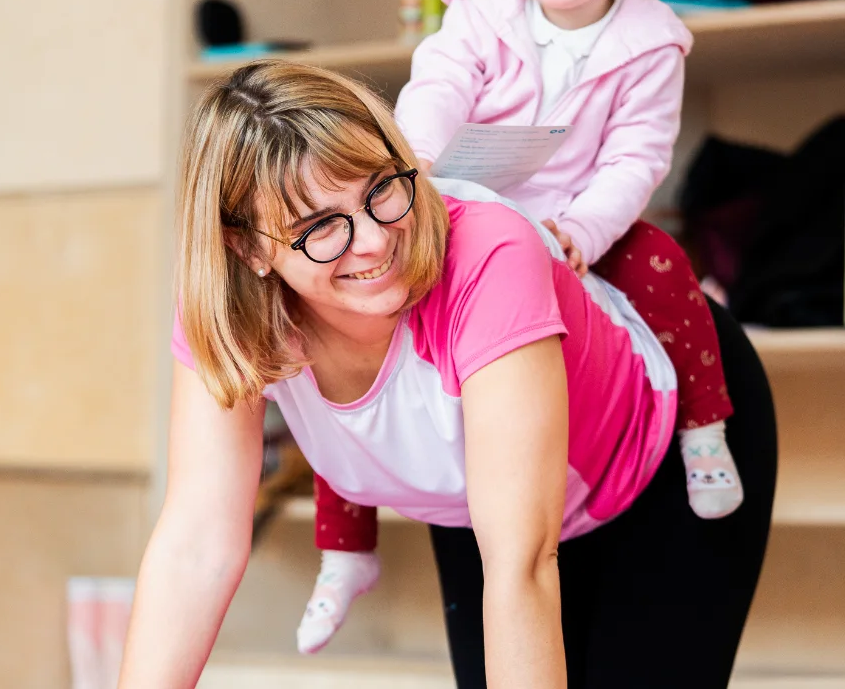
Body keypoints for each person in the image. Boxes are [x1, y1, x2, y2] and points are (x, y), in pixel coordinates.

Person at [118, 61, 776, 689]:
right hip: (474, 504)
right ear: (249, 249)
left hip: (656, 450)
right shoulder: (229, 310)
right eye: (320, 227)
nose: (373, 240)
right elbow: (197, 545)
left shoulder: (487, 254)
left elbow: (523, 564)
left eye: (381, 189)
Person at [301, 0, 747, 654]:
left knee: (663, 266)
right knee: (359, 334)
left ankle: (705, 427)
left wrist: (584, 226)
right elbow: (438, 83)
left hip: (581, 213)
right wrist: (416, 161)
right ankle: (345, 545)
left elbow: (637, 158)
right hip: (471, 198)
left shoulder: (652, 44)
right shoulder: (481, 8)